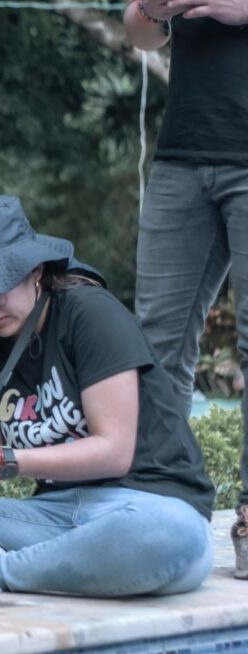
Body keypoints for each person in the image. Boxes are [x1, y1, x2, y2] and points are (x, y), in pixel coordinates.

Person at [0, 196, 215, 598]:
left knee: (171, 533)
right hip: (53, 516)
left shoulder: (88, 313)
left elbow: (114, 451)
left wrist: (4, 460)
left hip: (146, 507)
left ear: (35, 270)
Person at [123, 0, 248, 577]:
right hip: (183, 154)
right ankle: (162, 503)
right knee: (155, 344)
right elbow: (142, 34)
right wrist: (156, 7)